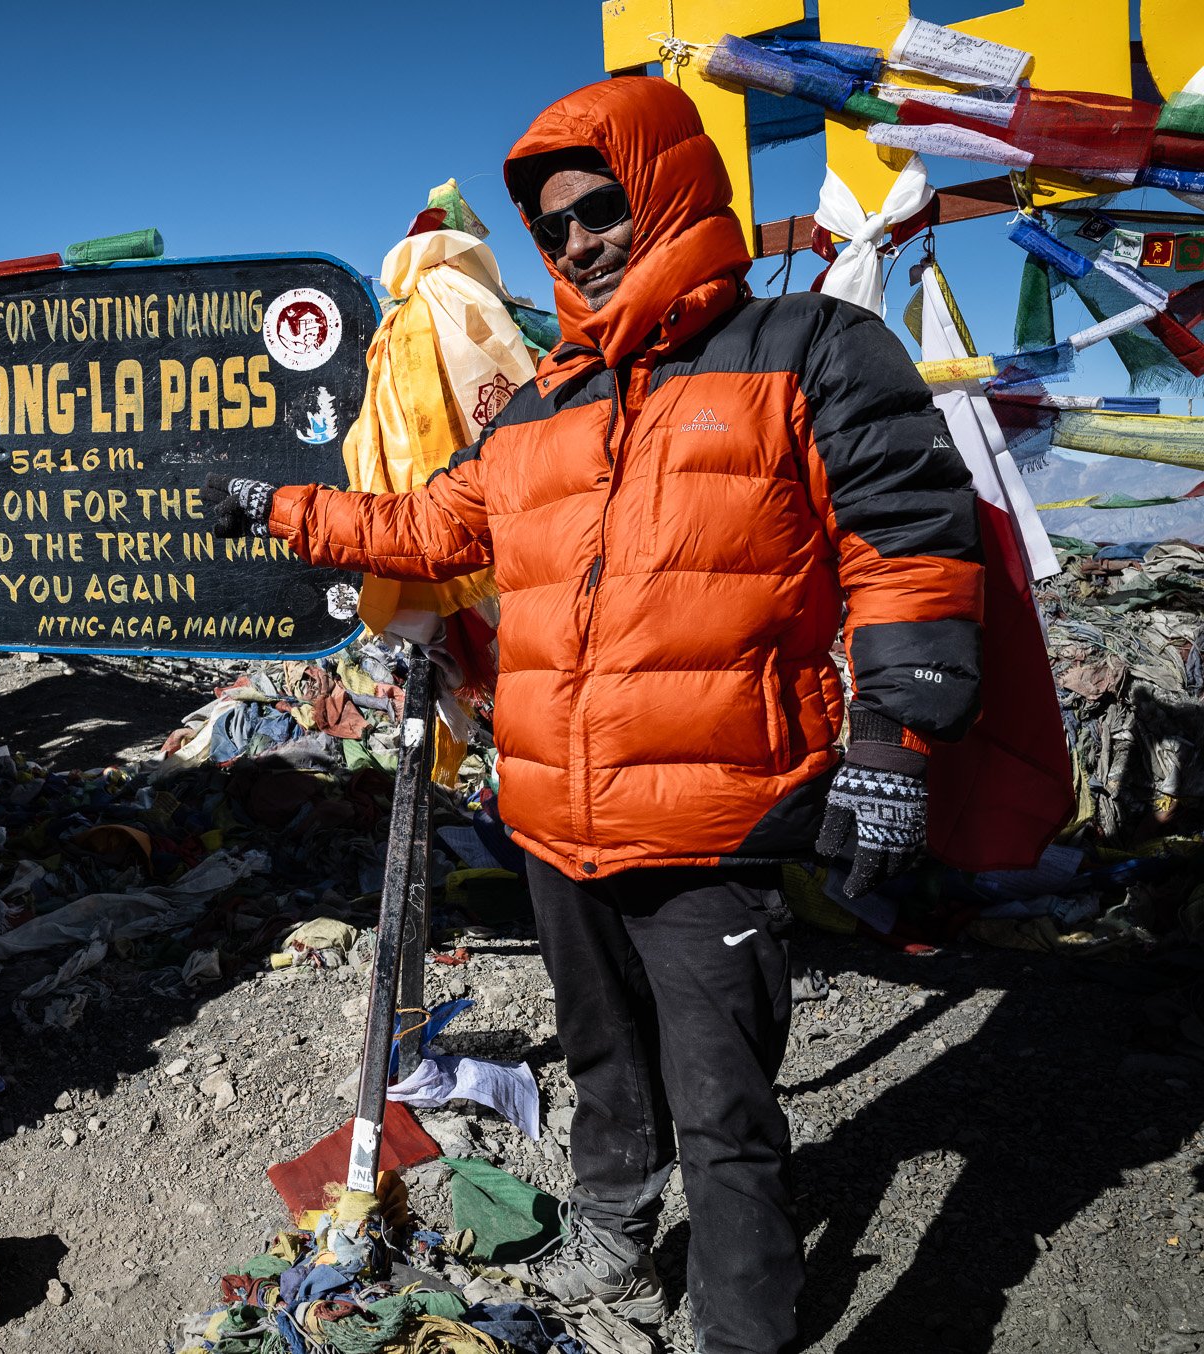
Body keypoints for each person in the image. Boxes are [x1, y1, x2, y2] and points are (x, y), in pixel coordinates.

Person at [207, 77, 982, 1354]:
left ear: (667, 188)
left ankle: (744, 1325)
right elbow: (426, 527)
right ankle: (615, 1239)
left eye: (596, 208)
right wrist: (282, 508)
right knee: (601, 1056)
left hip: (714, 822)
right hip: (554, 816)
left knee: (722, 1100)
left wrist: (893, 748)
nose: (572, 242)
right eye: (551, 226)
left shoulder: (808, 351)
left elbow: (908, 549)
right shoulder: (542, 410)